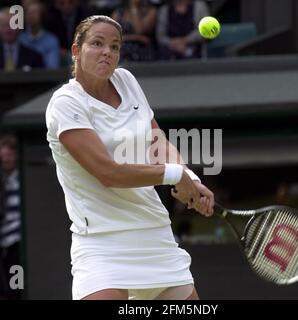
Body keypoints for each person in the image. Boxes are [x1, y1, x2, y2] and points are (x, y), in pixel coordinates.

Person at [45, 15, 214, 300]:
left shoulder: (126, 80)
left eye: (114, 46)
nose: (107, 52)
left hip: (154, 236)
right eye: (97, 44)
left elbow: (155, 140)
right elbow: (109, 173)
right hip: (102, 243)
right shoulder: (65, 104)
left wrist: (191, 180)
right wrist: (175, 175)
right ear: (76, 51)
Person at [0, 135, 21, 300]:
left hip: (17, 241)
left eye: (9, 156)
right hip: (5, 241)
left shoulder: (23, 180)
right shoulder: (4, 181)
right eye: (3, 157)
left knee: (17, 283)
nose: (5, 160)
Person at [0, 7, 44, 71]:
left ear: (20, 27)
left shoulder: (34, 56)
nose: (8, 30)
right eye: (4, 25)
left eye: (12, 25)